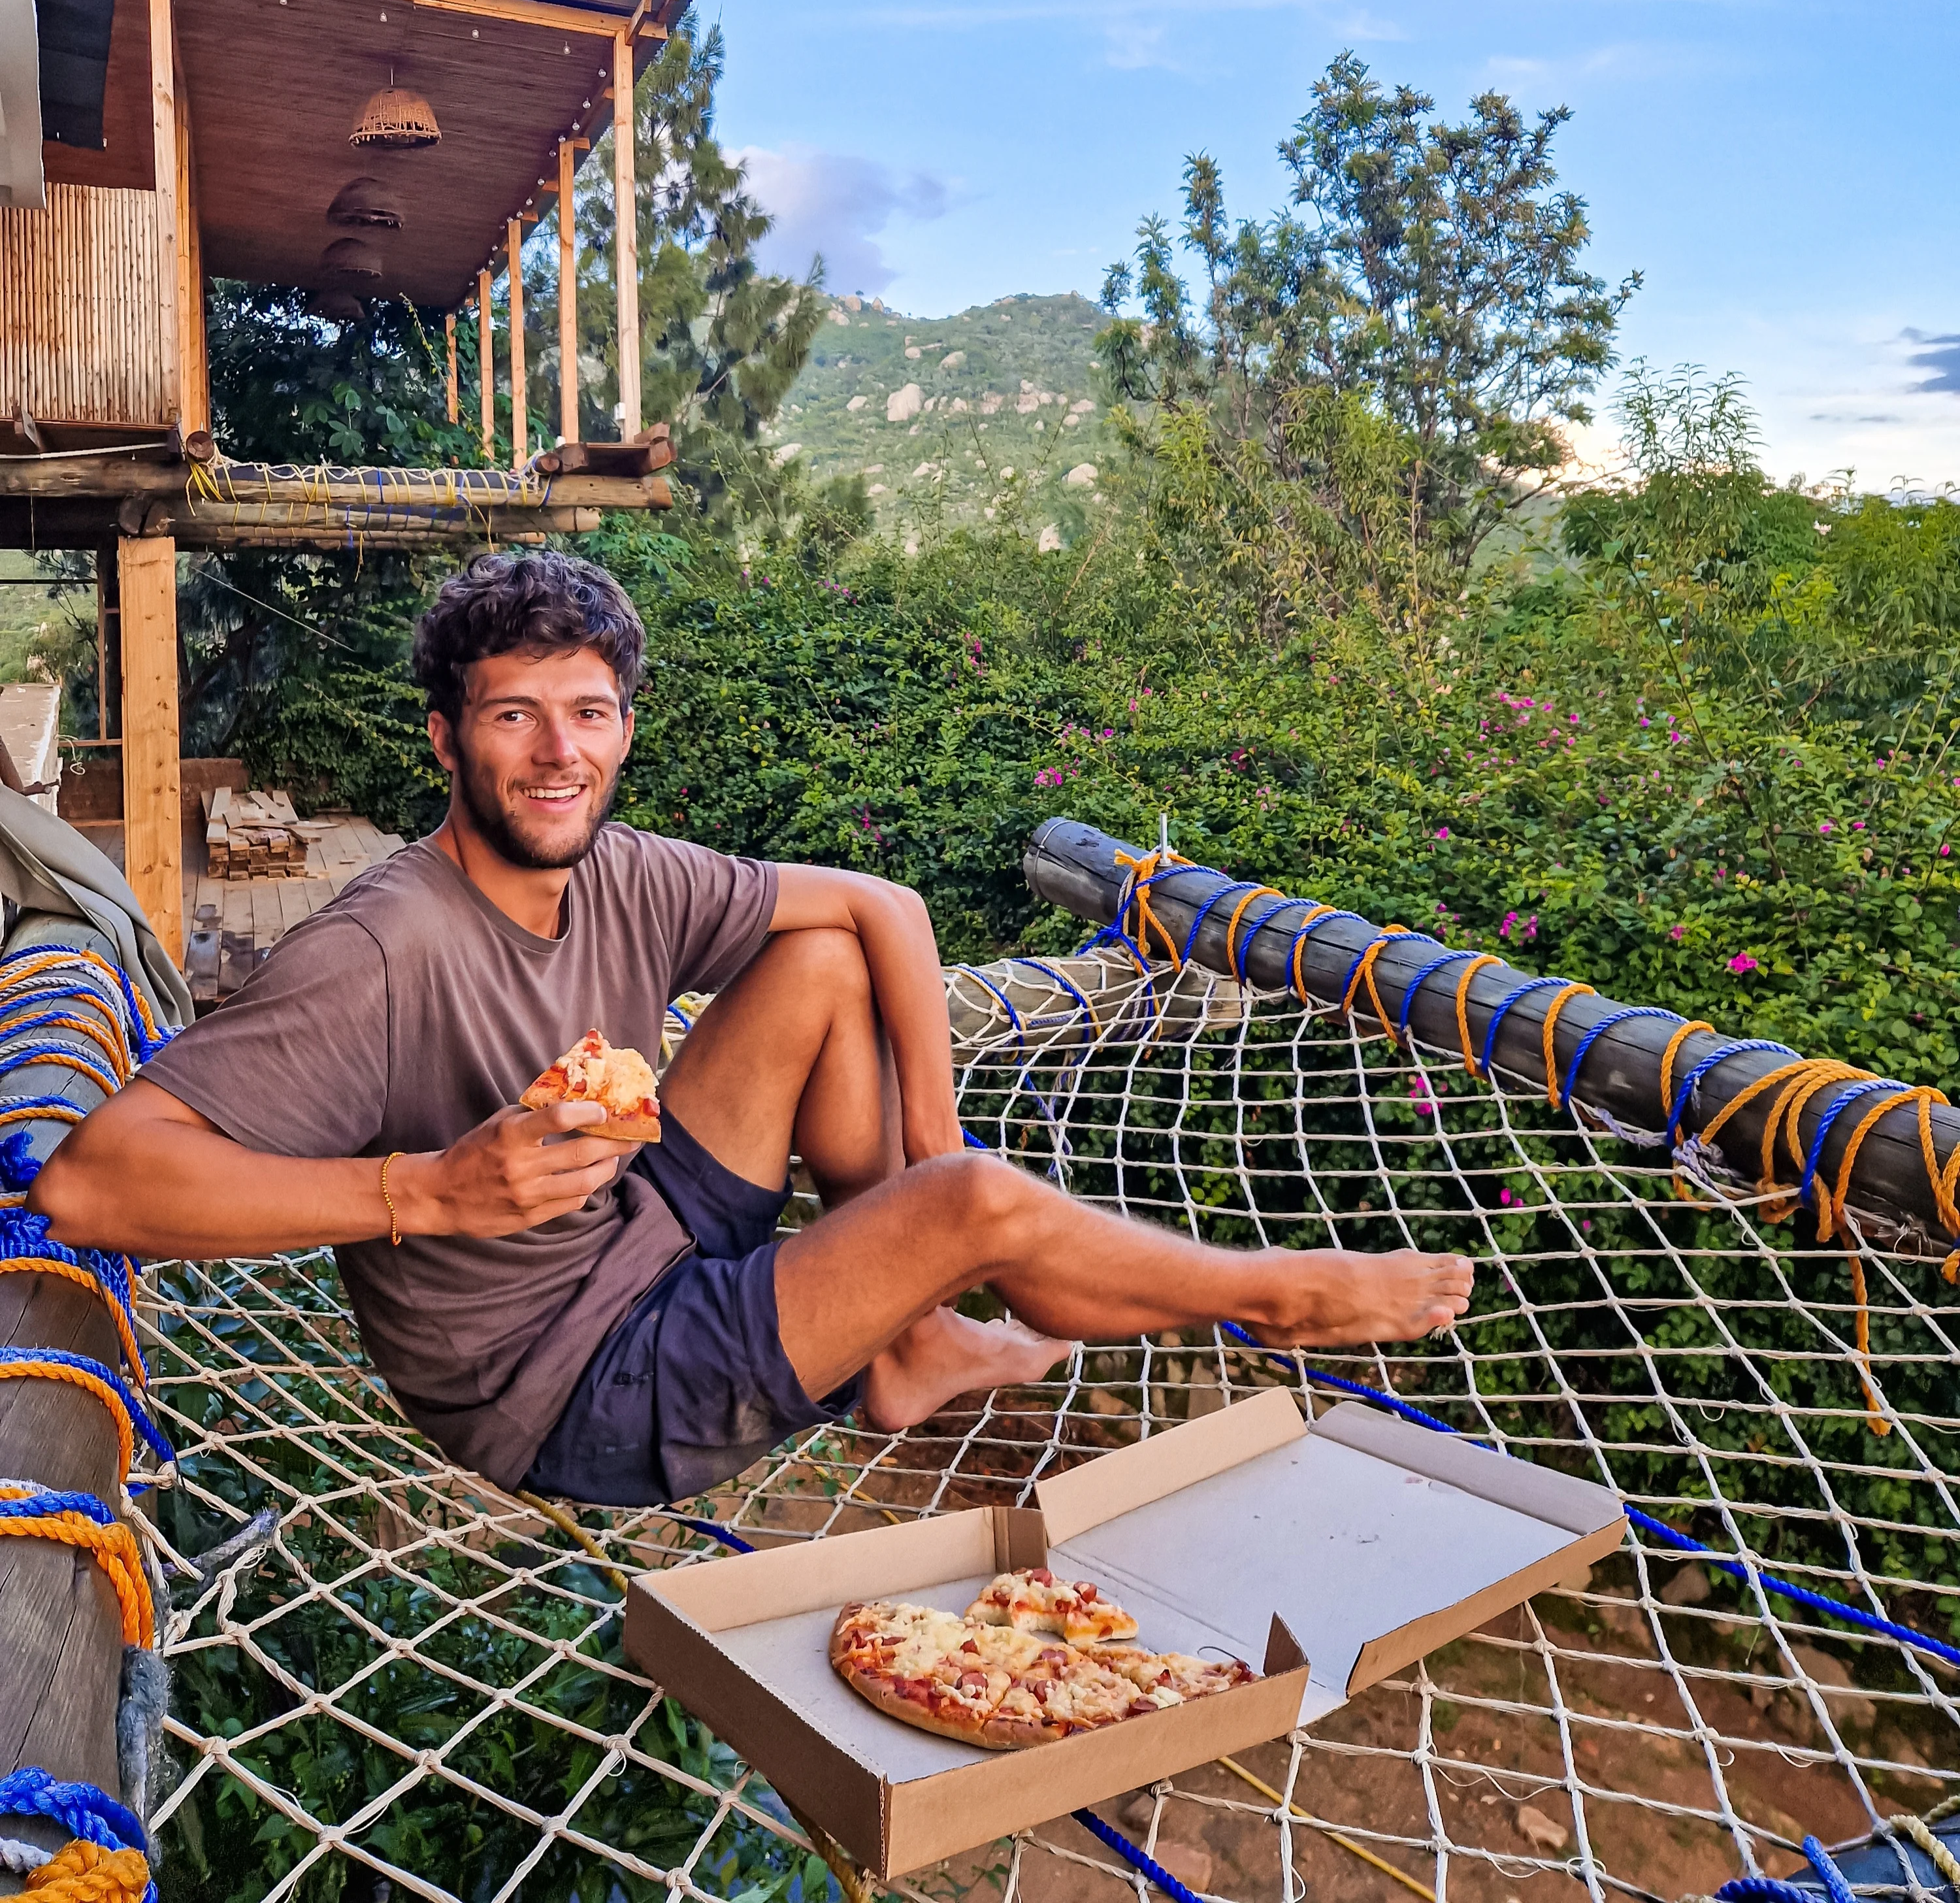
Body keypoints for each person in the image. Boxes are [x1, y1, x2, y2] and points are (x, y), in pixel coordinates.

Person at [33, 553, 1474, 1508]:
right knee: (977, 1206)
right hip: (562, 1387)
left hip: (639, 1233)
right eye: (515, 717)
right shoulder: (381, 948)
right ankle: (1271, 1298)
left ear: (623, 730)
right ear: (444, 742)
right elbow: (96, 1182)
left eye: (588, 714)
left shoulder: (623, 865)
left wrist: (924, 1171)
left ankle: (911, 1339)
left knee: (822, 970)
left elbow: (887, 907)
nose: (557, 754)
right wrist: (424, 1191)